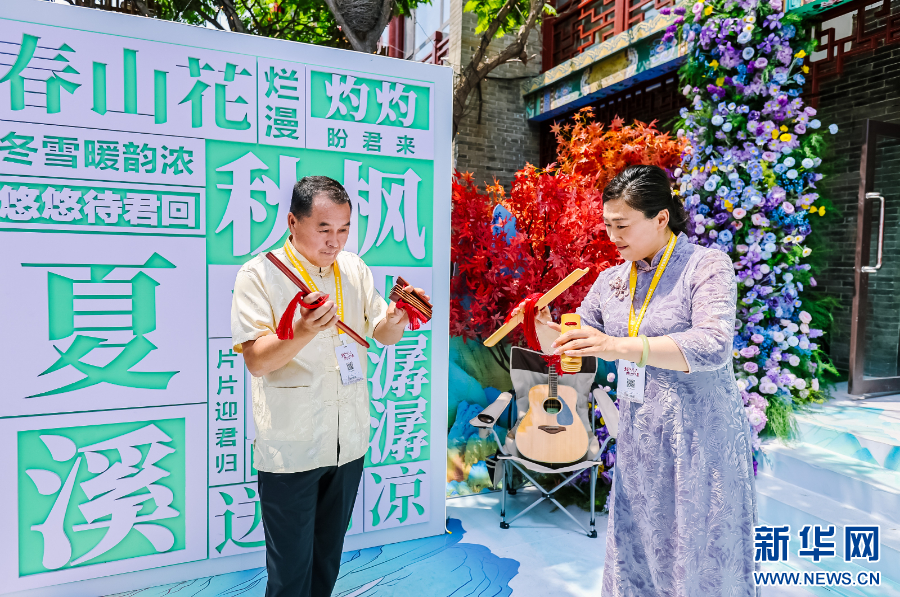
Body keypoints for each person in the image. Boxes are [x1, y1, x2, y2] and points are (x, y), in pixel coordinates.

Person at [534, 165, 758, 595]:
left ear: (660, 218)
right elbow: (577, 341)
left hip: (699, 435)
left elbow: (713, 344)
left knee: (699, 549)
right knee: (638, 545)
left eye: (622, 225)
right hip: (640, 433)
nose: (612, 237)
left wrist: (617, 346)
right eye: (607, 226)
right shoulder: (612, 279)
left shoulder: (705, 265)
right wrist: (545, 330)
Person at [231, 176, 427, 597]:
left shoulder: (354, 269)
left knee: (326, 562)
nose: (334, 241)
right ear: (292, 222)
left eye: (343, 229)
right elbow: (256, 361)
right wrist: (301, 332)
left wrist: (396, 320)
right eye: (323, 229)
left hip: (348, 442)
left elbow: (382, 333)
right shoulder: (259, 274)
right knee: (289, 573)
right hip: (292, 447)